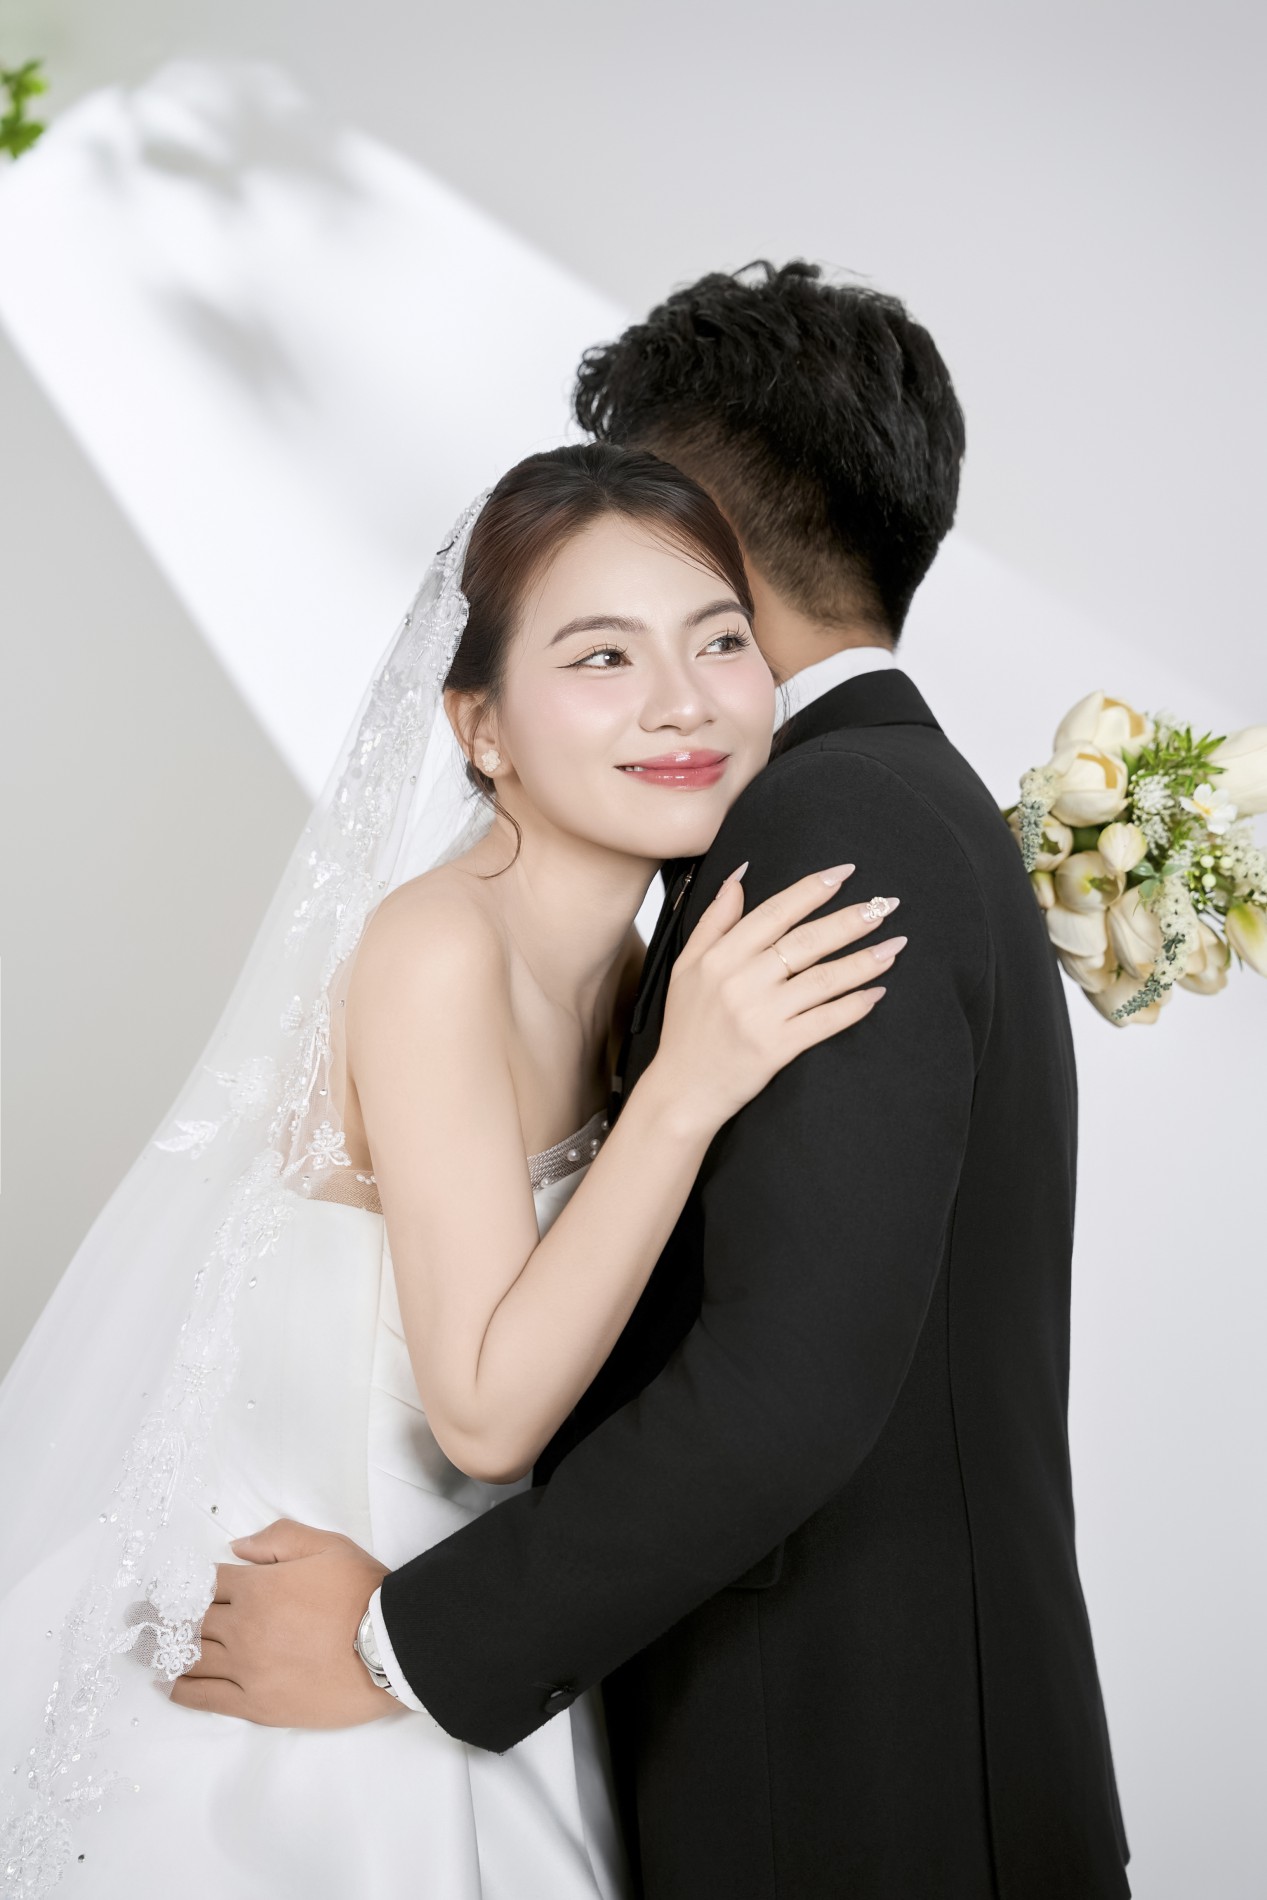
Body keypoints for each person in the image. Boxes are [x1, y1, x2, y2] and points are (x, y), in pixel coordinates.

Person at [199, 264, 1132, 1900]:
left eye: (694, 617)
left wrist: (401, 1644)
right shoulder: (880, 803)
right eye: (600, 649)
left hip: (845, 1773)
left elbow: (788, 1382)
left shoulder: (830, 818)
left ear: (695, 514)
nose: (674, 689)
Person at [0, 441, 900, 1897]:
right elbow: (480, 1412)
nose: (684, 700)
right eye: (602, 656)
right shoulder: (438, 947)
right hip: (305, 1635)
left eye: (721, 640)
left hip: (464, 1623)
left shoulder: (637, 972)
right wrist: (683, 1094)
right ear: (480, 727)